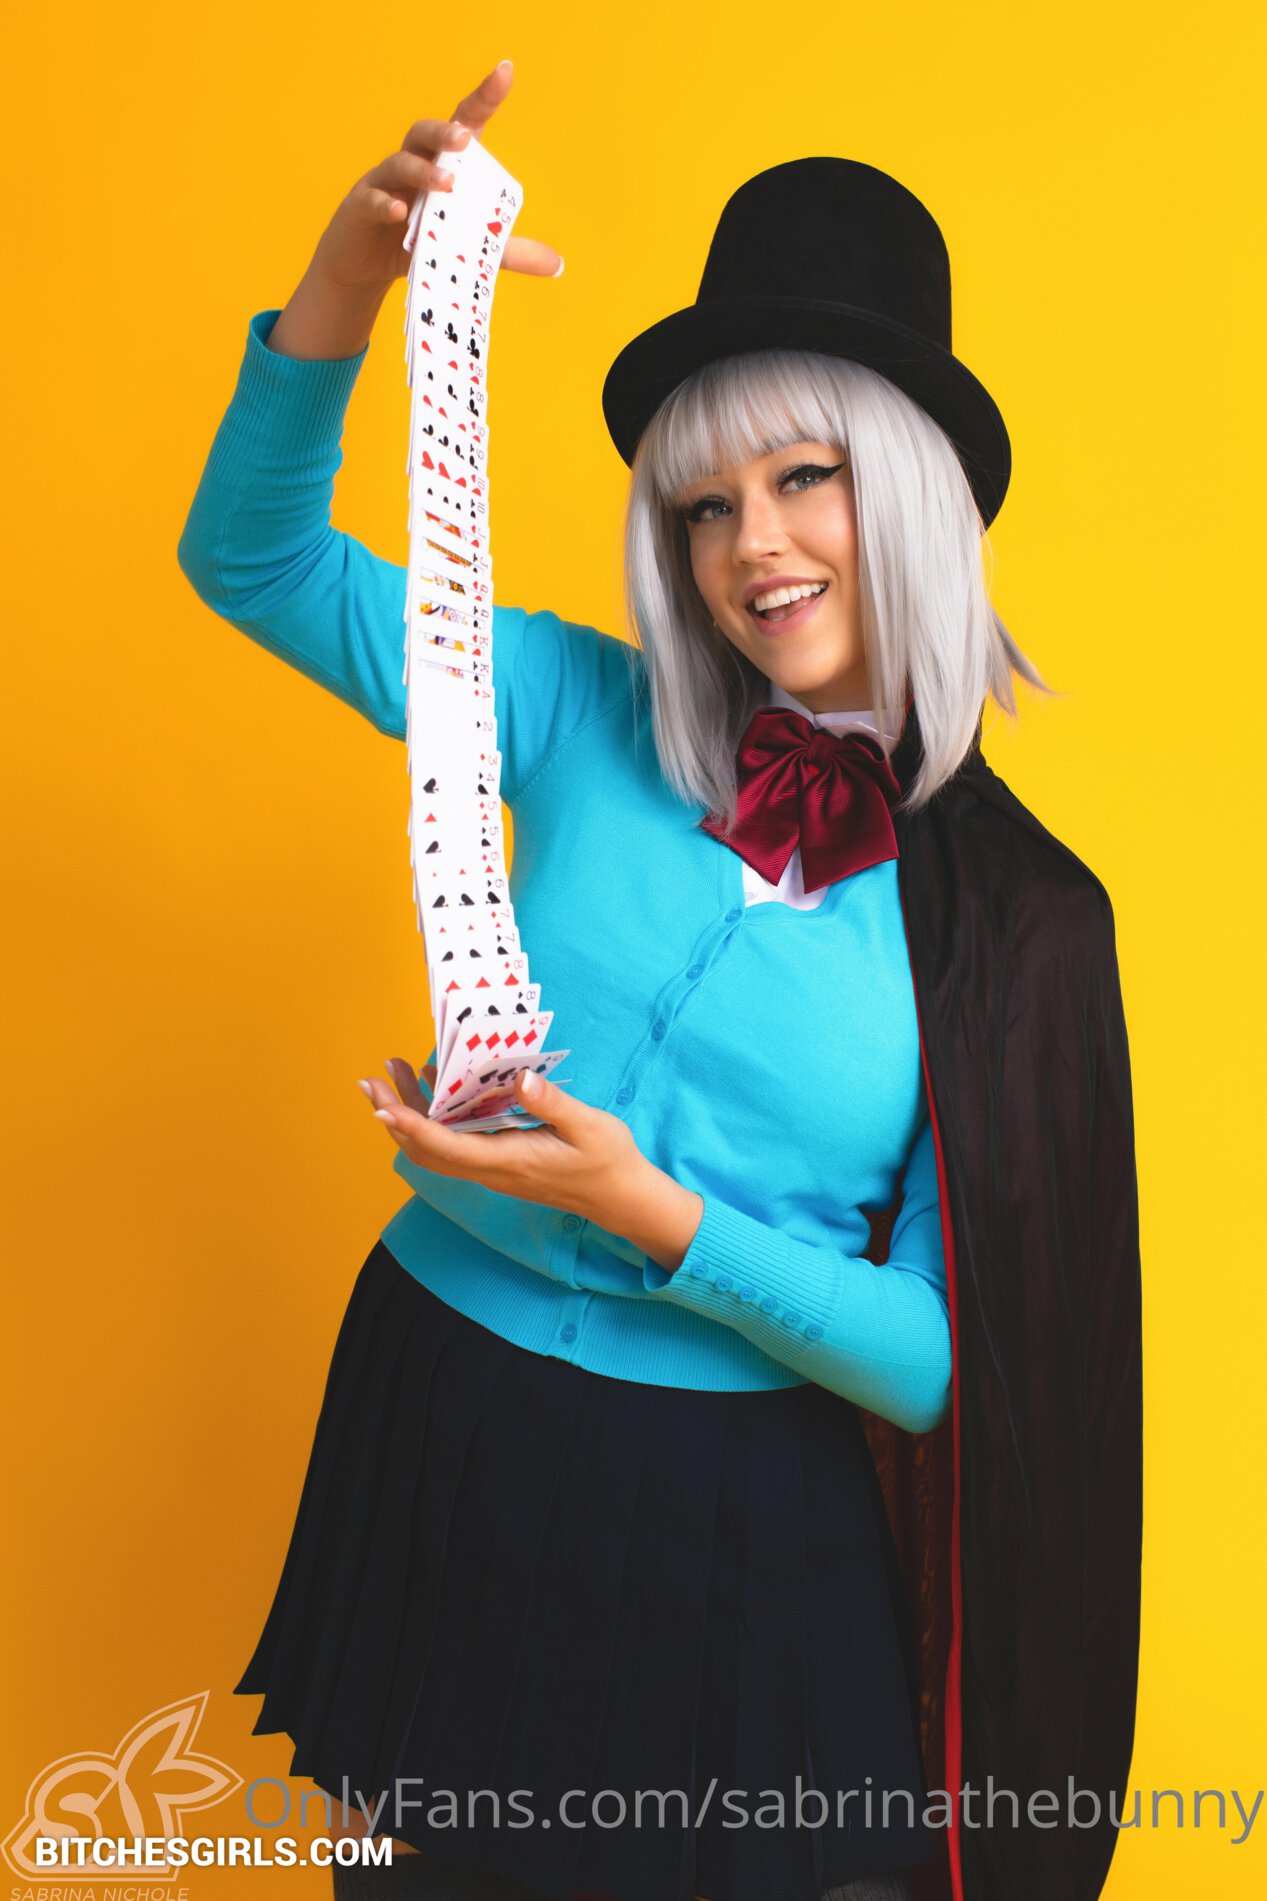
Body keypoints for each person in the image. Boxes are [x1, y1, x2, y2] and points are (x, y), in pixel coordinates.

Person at [176, 60, 1142, 1901]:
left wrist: (659, 1218)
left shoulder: (1019, 924)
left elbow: (939, 1361)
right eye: (703, 503)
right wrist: (347, 283)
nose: (750, 545)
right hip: (445, 1415)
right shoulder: (570, 702)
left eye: (804, 477)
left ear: (911, 490)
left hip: (735, 1517)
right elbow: (254, 557)